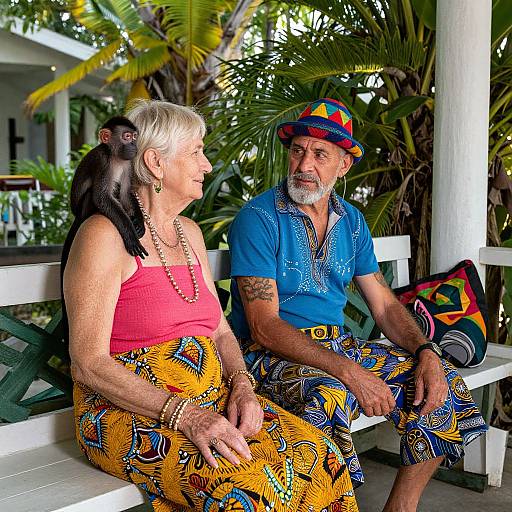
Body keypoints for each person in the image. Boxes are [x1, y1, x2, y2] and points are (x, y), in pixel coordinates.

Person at [64, 100, 359, 512]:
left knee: (321, 455)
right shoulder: (104, 236)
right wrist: (186, 416)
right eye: (196, 152)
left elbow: (220, 331)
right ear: (155, 162)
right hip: (129, 410)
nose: (206, 165)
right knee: (253, 492)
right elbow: (89, 362)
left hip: (211, 400)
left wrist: (242, 384)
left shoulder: (188, 233)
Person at [228, 98, 488, 512]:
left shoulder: (351, 221)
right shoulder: (259, 218)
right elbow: (263, 326)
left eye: (319, 154)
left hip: (339, 346)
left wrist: (426, 353)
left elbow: (384, 306)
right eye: (298, 151)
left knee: (444, 387)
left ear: (344, 165)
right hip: (268, 355)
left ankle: (400, 508)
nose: (304, 165)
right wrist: (351, 372)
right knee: (328, 394)